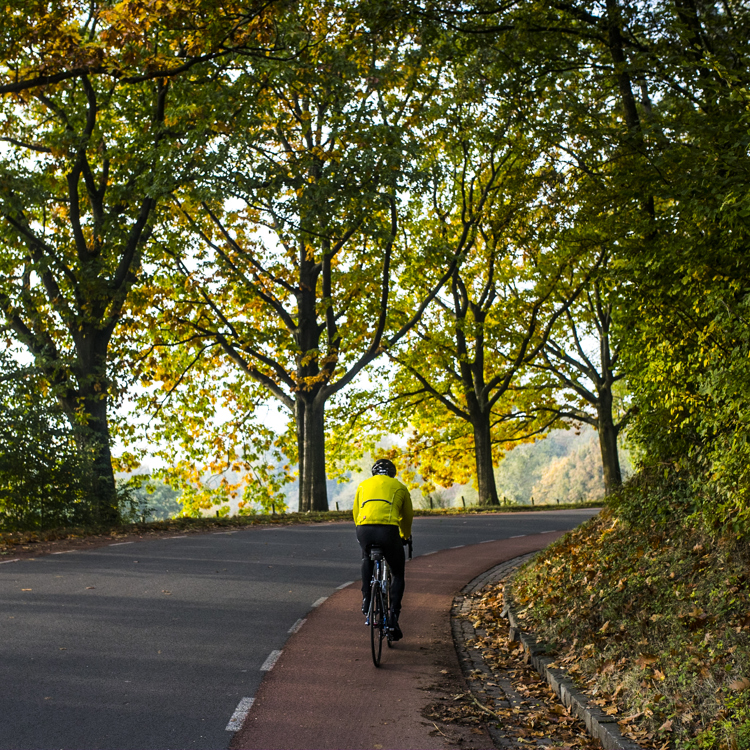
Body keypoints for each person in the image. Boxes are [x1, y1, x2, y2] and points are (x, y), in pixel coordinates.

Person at [353, 458, 413, 641]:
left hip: (364, 529)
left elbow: (356, 512)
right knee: (397, 572)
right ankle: (393, 618)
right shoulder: (400, 486)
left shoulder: (363, 485)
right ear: (392, 473)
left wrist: (362, 533)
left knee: (366, 558)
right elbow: (407, 516)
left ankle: (366, 599)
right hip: (388, 531)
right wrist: (405, 535)